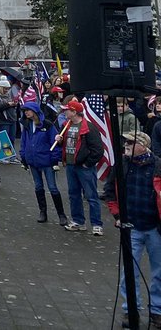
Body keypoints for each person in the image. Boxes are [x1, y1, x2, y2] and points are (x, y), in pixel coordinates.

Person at [108, 130, 161, 327]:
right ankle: (131, 310)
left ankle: (157, 311)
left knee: (159, 272)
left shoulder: (158, 165)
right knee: (129, 272)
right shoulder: (121, 164)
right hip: (132, 227)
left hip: (155, 228)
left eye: (130, 143)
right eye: (125, 143)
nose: (126, 146)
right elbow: (109, 191)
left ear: (143, 145)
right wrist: (117, 215)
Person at [59, 98, 104, 234]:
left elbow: (98, 150)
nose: (64, 111)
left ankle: (97, 224)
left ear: (74, 112)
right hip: (71, 165)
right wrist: (61, 141)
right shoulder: (67, 125)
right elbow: (66, 145)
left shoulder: (89, 128)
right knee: (74, 194)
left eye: (67, 110)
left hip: (83, 167)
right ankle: (78, 221)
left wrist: (87, 163)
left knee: (91, 195)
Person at [20, 101, 67, 225]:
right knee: (38, 187)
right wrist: (23, 156)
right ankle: (43, 212)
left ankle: (61, 215)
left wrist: (54, 159)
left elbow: (55, 143)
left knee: (52, 187)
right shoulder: (27, 125)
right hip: (33, 161)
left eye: (28, 110)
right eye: (24, 111)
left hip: (47, 161)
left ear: (34, 111)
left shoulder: (48, 125)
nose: (26, 112)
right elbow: (24, 142)